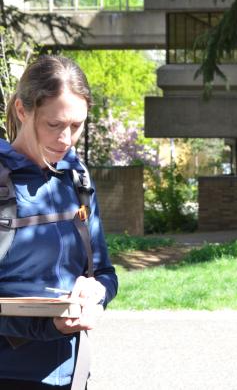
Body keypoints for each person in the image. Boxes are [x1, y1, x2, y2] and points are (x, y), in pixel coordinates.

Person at [0, 55, 118, 389]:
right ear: (23, 111)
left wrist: (97, 295)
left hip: (71, 374)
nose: (66, 139)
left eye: (76, 125)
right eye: (54, 125)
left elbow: (105, 273)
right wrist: (48, 326)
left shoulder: (77, 179)